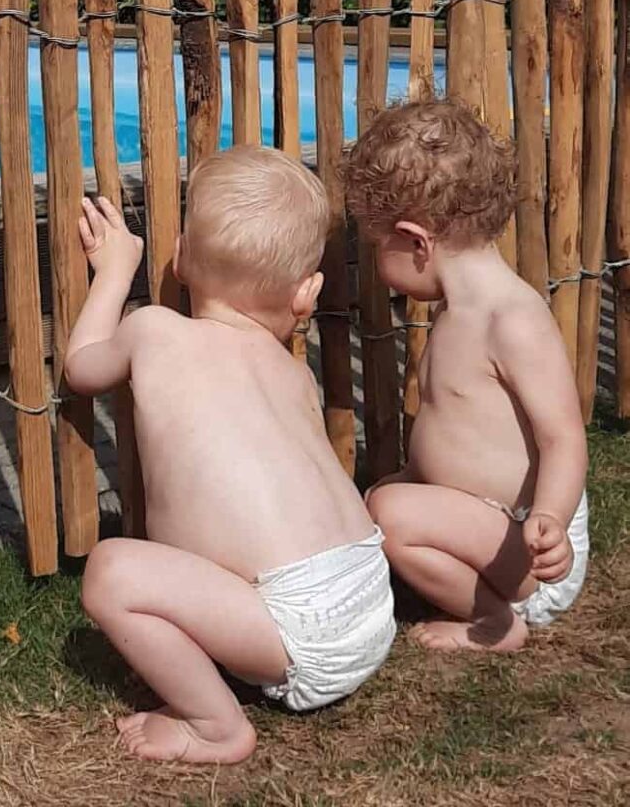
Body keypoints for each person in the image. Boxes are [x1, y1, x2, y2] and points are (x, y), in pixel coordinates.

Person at [65, 146, 395, 765]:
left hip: (300, 627)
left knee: (112, 571)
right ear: (307, 294)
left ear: (182, 258)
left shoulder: (155, 331)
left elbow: (83, 369)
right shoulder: (294, 376)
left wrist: (115, 271)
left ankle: (216, 726)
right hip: (372, 597)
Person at [340, 98, 589, 654]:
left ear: (416, 241)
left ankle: (496, 623)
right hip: (489, 522)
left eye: (377, 245)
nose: (376, 264)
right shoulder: (460, 309)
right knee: (380, 499)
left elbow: (563, 437)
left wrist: (550, 519)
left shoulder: (512, 319)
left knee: (388, 512)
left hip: (530, 541)